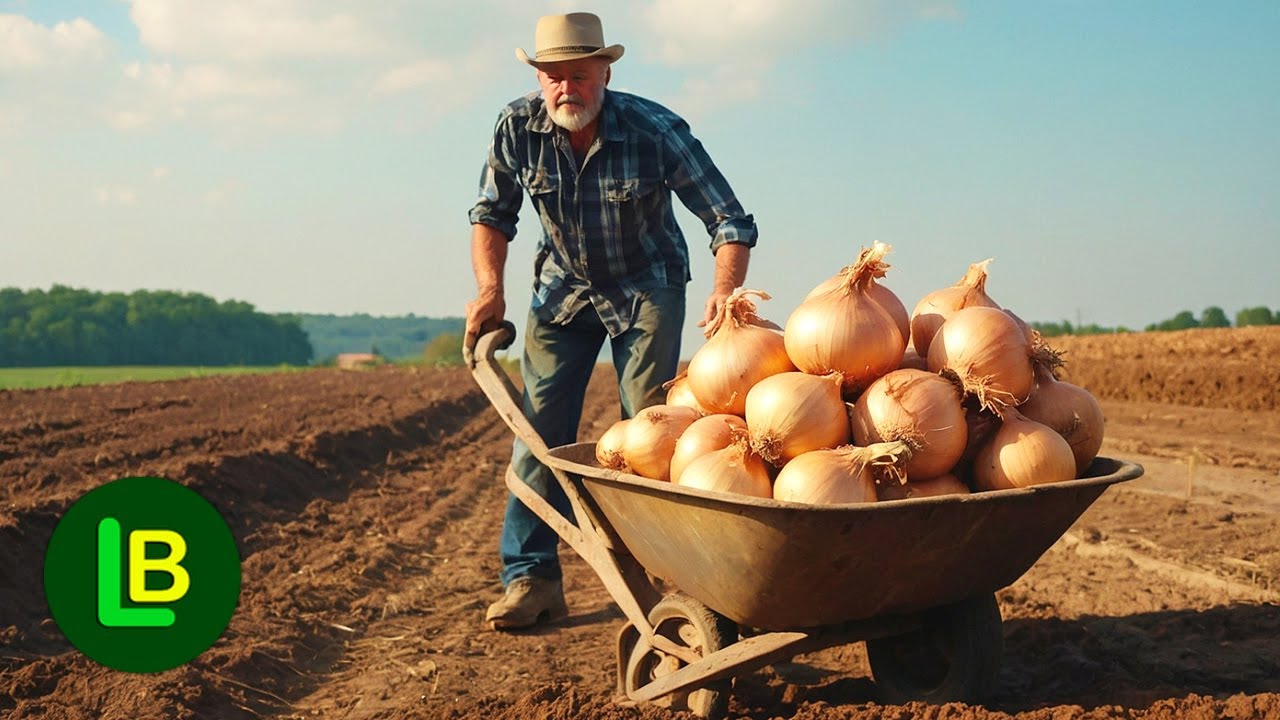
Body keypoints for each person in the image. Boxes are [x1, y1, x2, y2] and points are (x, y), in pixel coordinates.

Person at [464, 11, 758, 630]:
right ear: (539, 78)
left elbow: (729, 219)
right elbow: (492, 212)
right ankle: (531, 579)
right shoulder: (516, 127)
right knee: (537, 437)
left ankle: (666, 579)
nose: (566, 87)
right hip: (561, 293)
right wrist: (489, 288)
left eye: (579, 73)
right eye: (553, 76)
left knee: (649, 433)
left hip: (646, 287)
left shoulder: (653, 129)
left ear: (604, 70)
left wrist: (724, 291)